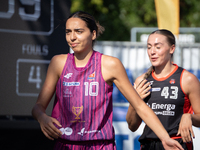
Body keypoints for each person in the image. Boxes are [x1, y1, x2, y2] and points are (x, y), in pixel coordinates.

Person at [32, 11, 184, 150]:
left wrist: (165, 138)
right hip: (65, 145)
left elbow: (139, 106)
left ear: (93, 34)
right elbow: (38, 106)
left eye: (79, 31)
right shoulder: (58, 63)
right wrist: (42, 117)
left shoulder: (110, 64)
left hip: (100, 145)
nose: (72, 37)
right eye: (68, 32)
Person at [126, 29, 200, 150]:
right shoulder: (142, 81)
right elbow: (132, 126)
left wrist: (189, 117)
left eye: (158, 47)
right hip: (149, 145)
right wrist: (134, 101)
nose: (152, 52)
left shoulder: (187, 79)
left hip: (176, 144)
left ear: (172, 49)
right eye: (149, 47)